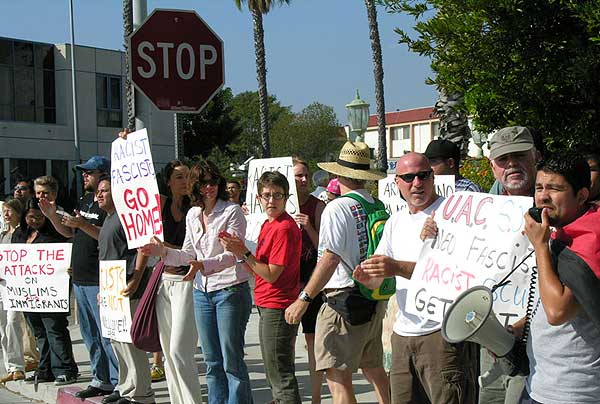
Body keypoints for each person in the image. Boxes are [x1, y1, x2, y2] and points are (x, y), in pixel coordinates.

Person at [353, 152, 477, 404]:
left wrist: (396, 267)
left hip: (441, 334)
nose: (417, 183)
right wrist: (367, 279)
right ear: (397, 182)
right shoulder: (395, 221)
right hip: (403, 334)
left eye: (423, 175)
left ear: (433, 177)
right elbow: (380, 279)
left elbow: (453, 274)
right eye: (408, 177)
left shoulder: (453, 213)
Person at [285, 142, 390, 404]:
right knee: (373, 367)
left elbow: (330, 258)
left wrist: (304, 298)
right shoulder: (375, 204)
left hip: (342, 301)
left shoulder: (337, 207)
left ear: (338, 174)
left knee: (337, 377)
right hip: (372, 297)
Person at [143, 160, 251, 404]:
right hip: (202, 291)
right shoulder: (193, 214)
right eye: (202, 184)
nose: (208, 188)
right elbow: (187, 253)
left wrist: (204, 265)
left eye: (213, 182)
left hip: (230, 290)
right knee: (212, 361)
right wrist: (161, 251)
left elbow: (234, 254)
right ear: (195, 187)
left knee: (231, 360)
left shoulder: (231, 212)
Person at [520, 152, 600, 403]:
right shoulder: (559, 231)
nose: (543, 196)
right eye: (539, 187)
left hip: (573, 390)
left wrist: (541, 247)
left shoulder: (591, 238)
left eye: (555, 188)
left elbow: (557, 312)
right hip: (540, 381)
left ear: (582, 195)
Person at [39, 156, 118, 399]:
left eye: (89, 172)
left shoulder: (108, 204)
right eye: (83, 173)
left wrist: (82, 224)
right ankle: (100, 378)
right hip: (80, 279)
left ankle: (117, 381)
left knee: (107, 335)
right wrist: (52, 215)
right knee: (89, 334)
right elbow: (69, 232)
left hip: (98, 277)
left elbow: (106, 236)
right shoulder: (85, 199)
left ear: (103, 175)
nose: (84, 176)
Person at [222, 171, 302, 404]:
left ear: (286, 198)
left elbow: (272, 274)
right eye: (266, 195)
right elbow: (259, 270)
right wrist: (240, 254)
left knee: (280, 374)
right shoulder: (270, 225)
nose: (271, 200)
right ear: (258, 198)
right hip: (268, 302)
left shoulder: (283, 228)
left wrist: (243, 252)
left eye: (277, 195)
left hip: (278, 305)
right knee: (275, 371)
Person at [140, 160, 207, 404]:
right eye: (178, 176)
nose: (184, 181)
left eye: (188, 176)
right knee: (168, 351)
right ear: (168, 181)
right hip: (163, 280)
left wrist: (164, 248)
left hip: (189, 281)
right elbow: (133, 186)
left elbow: (195, 252)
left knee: (181, 349)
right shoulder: (160, 205)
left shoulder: (198, 209)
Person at [483, 126, 541, 404]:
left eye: (519, 156)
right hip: (490, 343)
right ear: (492, 167)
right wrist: (435, 233)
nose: (511, 164)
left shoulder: (557, 205)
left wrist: (524, 324)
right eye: (503, 160)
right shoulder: (478, 213)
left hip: (536, 346)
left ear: (535, 157)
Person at [96, 176, 154, 404]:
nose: (99, 195)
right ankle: (126, 387)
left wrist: (136, 279)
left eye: (105, 190)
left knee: (131, 342)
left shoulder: (126, 217)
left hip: (128, 286)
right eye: (98, 191)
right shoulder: (109, 218)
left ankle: (141, 393)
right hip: (111, 287)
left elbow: (143, 247)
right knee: (117, 341)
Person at [12, 198, 79, 386]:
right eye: (31, 217)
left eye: (39, 217)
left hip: (51, 292)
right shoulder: (20, 234)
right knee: (39, 332)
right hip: (28, 293)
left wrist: (69, 266)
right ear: (25, 216)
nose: (34, 221)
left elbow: (68, 251)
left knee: (54, 329)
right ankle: (45, 369)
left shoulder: (54, 234)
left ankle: (65, 369)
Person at [293, 157, 326, 404]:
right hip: (284, 280)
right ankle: (286, 395)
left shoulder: (317, 206)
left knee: (312, 341)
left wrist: (309, 227)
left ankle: (315, 398)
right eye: (298, 175)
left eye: (306, 175)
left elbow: (325, 250)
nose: (304, 180)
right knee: (282, 343)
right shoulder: (277, 204)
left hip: (311, 280)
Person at [0, 199, 26, 383]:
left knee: (12, 321)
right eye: (4, 212)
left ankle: (19, 366)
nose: (6, 215)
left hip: (17, 286)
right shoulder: (2, 234)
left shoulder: (24, 233)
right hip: (2, 284)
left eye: (9, 211)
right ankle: (11, 366)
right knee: (3, 327)